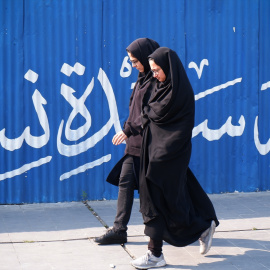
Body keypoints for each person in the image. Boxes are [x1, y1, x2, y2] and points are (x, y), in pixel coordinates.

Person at [131, 47, 219, 269]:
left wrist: (160, 156)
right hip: (152, 156)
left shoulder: (181, 93)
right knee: (159, 203)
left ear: (169, 68)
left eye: (158, 69)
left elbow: (178, 130)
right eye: (152, 70)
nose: (154, 75)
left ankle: (158, 252)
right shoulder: (160, 88)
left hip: (169, 156)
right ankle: (160, 250)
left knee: (167, 202)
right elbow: (147, 115)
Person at [94, 38, 160, 245]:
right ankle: (119, 229)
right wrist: (127, 129)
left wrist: (128, 130)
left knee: (160, 191)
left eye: (135, 61)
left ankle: (198, 224)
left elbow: (150, 112)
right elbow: (135, 111)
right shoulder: (142, 78)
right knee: (125, 181)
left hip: (148, 145)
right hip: (134, 144)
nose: (133, 65)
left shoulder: (156, 81)